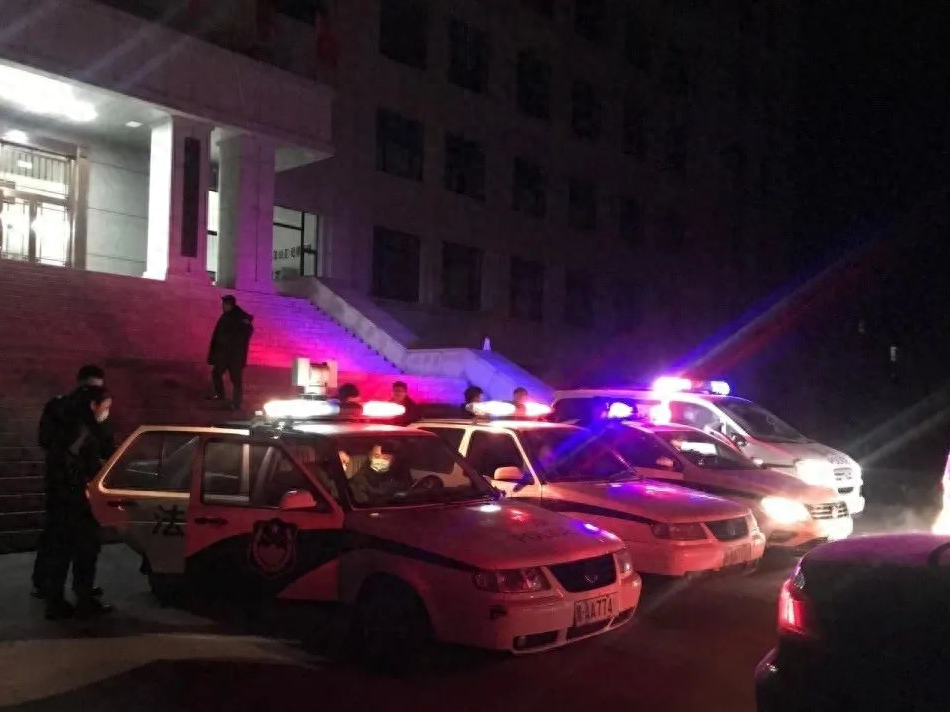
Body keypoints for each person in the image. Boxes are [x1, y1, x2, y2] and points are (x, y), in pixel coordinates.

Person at [33, 365, 114, 601]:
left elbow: (45, 440)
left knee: (57, 538)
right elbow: (104, 450)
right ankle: (67, 591)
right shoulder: (80, 415)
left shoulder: (60, 407)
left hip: (62, 484)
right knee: (78, 541)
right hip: (77, 486)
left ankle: (50, 588)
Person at [207, 295, 254, 411]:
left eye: (225, 304)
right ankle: (220, 396)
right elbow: (218, 334)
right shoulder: (225, 316)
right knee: (216, 373)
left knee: (236, 380)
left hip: (234, 356)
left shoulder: (241, 316)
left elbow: (248, 331)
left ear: (230, 305)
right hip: (223, 355)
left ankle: (236, 404)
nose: (223, 306)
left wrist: (234, 342)